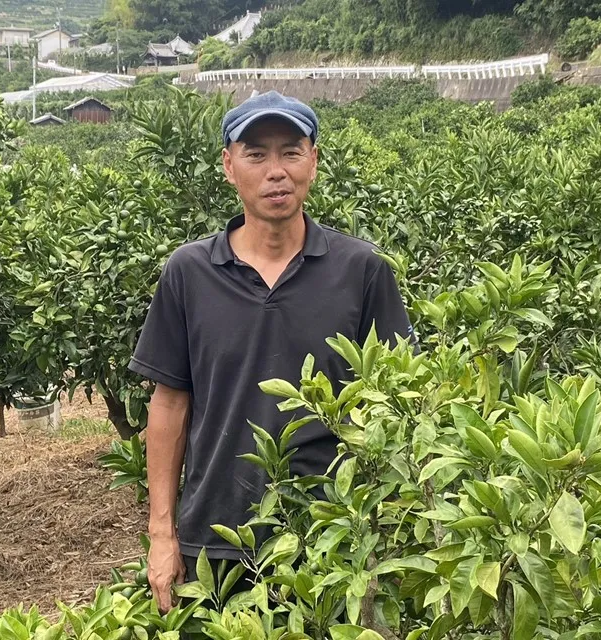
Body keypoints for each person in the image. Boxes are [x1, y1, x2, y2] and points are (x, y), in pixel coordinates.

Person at [128, 90, 417, 613]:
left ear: (314, 161)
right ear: (228, 166)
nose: (275, 171)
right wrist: (162, 533)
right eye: (256, 154)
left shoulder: (361, 270)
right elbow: (169, 405)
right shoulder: (189, 273)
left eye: (290, 151)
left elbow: (398, 401)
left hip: (333, 538)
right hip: (216, 539)